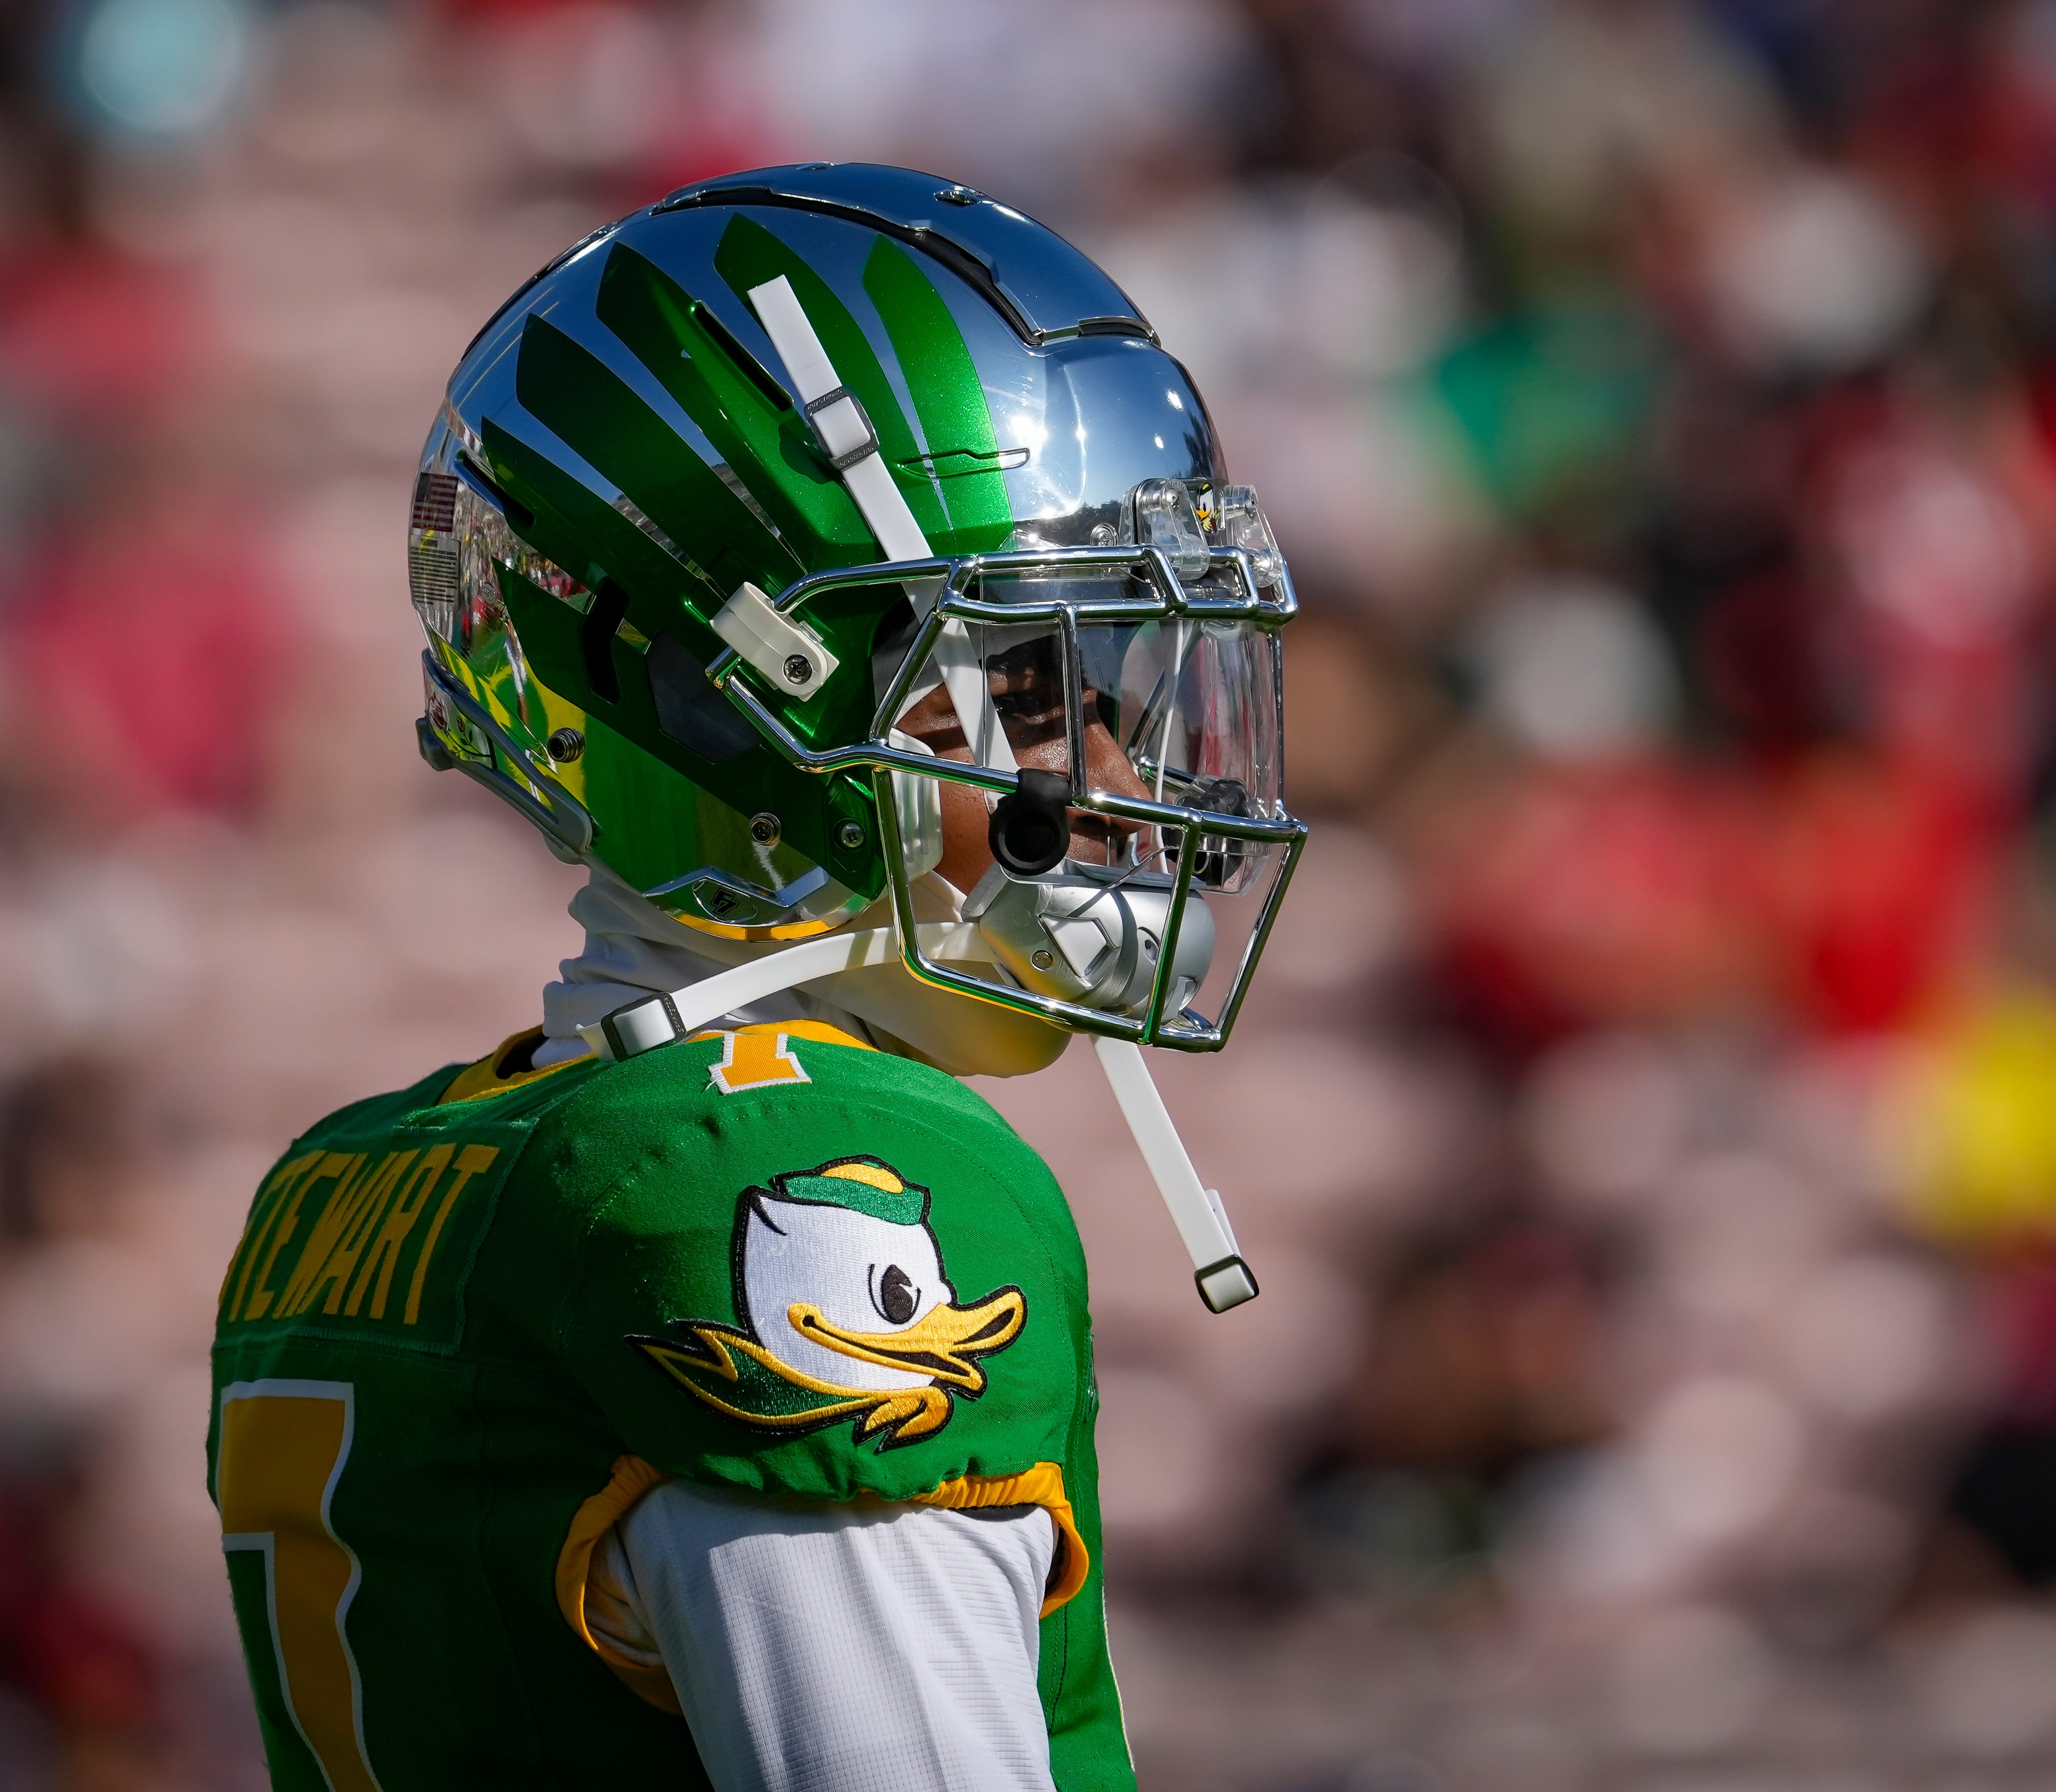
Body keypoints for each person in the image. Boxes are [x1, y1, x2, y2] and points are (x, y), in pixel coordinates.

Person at [207, 164, 1305, 1791]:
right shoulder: (773, 1176)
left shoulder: (361, 1180)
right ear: (752, 721)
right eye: (1020, 684)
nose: (1109, 766)